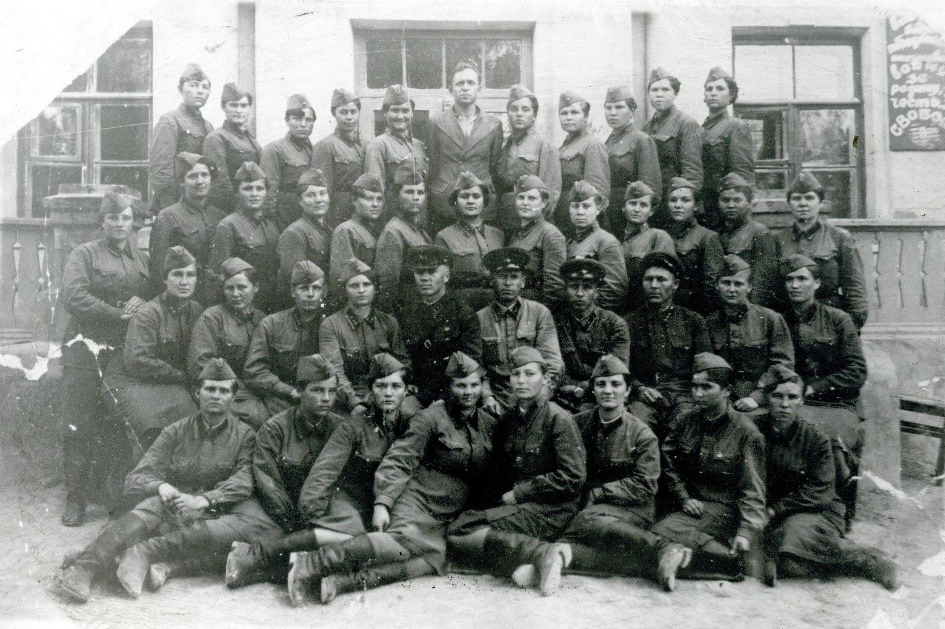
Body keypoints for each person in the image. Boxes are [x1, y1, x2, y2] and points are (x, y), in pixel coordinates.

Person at [286, 352, 497, 605]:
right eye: (461, 385)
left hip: (439, 510)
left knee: (432, 559)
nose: (468, 392)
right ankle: (311, 562)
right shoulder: (425, 419)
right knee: (395, 544)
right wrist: (382, 503)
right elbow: (397, 460)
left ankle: (341, 581)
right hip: (406, 502)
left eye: (474, 385)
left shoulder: (485, 425)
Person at [57, 359, 263, 602]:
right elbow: (136, 479)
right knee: (149, 508)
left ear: (233, 396)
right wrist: (161, 486)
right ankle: (84, 567)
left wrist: (205, 500)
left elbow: (244, 480)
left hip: (215, 512)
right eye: (209, 389)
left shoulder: (246, 436)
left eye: (223, 391)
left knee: (244, 534)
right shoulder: (176, 431)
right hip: (175, 509)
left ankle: (130, 558)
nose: (216, 396)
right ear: (197, 393)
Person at [446, 346, 585, 596]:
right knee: (465, 528)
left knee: (462, 530)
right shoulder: (509, 420)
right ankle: (525, 564)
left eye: (530, 374)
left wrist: (520, 493)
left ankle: (543, 553)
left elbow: (573, 477)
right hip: (522, 507)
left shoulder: (558, 419)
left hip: (553, 509)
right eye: (516, 374)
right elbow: (500, 472)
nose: (521, 381)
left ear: (545, 378)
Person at [547, 355, 691, 592]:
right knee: (564, 540)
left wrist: (600, 492)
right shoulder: (576, 424)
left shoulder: (642, 434)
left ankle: (661, 546)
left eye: (615, 384)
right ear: (593, 389)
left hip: (632, 508)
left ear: (628, 390)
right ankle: (654, 563)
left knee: (585, 521)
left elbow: (645, 485)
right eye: (601, 384)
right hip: (588, 505)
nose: (608, 391)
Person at [759, 365, 899, 590]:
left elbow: (820, 490)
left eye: (792, 397)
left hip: (814, 509)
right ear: (767, 398)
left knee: (791, 546)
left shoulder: (816, 439)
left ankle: (870, 560)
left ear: (801, 401)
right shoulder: (753, 431)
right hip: (768, 511)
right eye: (777, 396)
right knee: (776, 554)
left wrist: (775, 509)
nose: (785, 404)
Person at [59, 190, 151, 526]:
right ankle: (75, 499)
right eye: (113, 218)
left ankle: (113, 496)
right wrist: (116, 313)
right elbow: (73, 296)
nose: (119, 224)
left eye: (125, 218)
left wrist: (142, 302)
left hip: (121, 352)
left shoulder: (141, 259)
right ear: (102, 221)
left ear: (133, 222)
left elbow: (150, 292)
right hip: (85, 348)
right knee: (79, 423)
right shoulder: (84, 254)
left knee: (116, 424)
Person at [291, 353, 413, 604]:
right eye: (380, 386)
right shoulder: (352, 427)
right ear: (370, 391)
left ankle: (334, 576)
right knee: (352, 534)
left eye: (395, 386)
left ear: (406, 391)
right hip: (349, 499)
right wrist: (311, 516)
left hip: (390, 503)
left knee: (399, 544)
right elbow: (324, 472)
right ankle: (308, 563)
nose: (388, 393)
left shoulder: (413, 426)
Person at [223, 355, 348, 588]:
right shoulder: (275, 429)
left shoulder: (340, 427)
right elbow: (268, 481)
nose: (326, 398)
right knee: (269, 534)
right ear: (299, 392)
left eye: (331, 391)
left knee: (342, 540)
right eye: (317, 390)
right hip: (282, 511)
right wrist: (293, 521)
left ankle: (260, 568)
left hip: (319, 509)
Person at [651, 353, 766, 580]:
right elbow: (667, 463)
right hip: (688, 504)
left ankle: (728, 561)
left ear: (727, 391)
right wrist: (683, 497)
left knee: (659, 533)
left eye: (706, 387)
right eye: (694, 387)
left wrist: (745, 532)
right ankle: (689, 554)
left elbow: (753, 488)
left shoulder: (746, 432)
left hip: (722, 508)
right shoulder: (685, 420)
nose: (697, 394)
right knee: (649, 530)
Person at [780, 254, 867, 527]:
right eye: (789, 280)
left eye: (802, 279)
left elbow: (856, 370)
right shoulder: (778, 320)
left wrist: (814, 388)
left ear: (816, 283)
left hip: (837, 404)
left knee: (833, 445)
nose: (795, 285)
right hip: (796, 402)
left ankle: (837, 512)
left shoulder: (839, 319)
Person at [102, 246, 201, 449]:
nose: (184, 282)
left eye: (190, 275)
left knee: (192, 422)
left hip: (167, 382)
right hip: (130, 381)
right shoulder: (149, 313)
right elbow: (137, 361)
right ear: (165, 279)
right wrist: (182, 376)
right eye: (177, 275)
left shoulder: (196, 310)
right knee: (151, 428)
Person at [625, 252, 711, 436]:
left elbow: (705, 366)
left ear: (675, 284)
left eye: (661, 279)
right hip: (644, 396)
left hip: (683, 396)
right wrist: (639, 388)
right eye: (649, 279)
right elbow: (621, 365)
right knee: (636, 428)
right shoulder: (628, 322)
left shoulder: (693, 321)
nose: (654, 285)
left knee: (686, 426)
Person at [775, 172, 869, 330]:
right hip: (790, 319)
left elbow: (854, 285)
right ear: (789, 204)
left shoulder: (839, 237)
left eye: (809, 198)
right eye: (796, 198)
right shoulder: (778, 240)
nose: (803, 203)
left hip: (830, 318)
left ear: (820, 203)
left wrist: (852, 324)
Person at [477, 247, 564, 414]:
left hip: (535, 395)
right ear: (492, 280)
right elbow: (477, 367)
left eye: (514, 277)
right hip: (496, 398)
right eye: (502, 276)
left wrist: (541, 397)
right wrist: (487, 396)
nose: (508, 283)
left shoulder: (539, 313)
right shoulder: (479, 319)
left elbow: (552, 363)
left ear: (523, 282)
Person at [705, 254, 794, 415]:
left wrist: (757, 397)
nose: (732, 290)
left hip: (761, 399)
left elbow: (783, 365)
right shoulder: (709, 323)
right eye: (726, 283)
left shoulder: (770, 319)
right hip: (722, 399)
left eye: (738, 284)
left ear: (750, 287)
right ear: (717, 285)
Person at [187, 257, 269, 429]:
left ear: (255, 287)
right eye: (229, 288)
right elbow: (200, 365)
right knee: (257, 417)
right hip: (222, 388)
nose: (235, 294)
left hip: (256, 388)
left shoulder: (262, 319)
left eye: (242, 287)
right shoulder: (211, 318)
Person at [319, 259, 410, 410]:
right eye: (354, 286)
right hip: (350, 395)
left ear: (375, 289)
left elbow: (403, 362)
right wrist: (354, 402)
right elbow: (334, 371)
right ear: (345, 290)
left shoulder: (389, 322)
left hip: (385, 392)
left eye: (366, 284)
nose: (361, 290)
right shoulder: (331, 325)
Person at [399, 245, 483, 406]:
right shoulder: (406, 314)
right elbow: (402, 355)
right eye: (419, 272)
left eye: (432, 272)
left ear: (446, 276)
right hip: (417, 391)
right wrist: (408, 381)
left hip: (453, 393)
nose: (424, 278)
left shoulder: (463, 313)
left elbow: (470, 360)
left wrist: (446, 398)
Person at [426, 62, 504, 233]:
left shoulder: (493, 124)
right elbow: (434, 162)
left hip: (481, 201)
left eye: (470, 83)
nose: (465, 88)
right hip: (446, 201)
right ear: (451, 89)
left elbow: (493, 165)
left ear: (479, 88)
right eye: (460, 83)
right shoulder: (436, 122)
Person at [244, 261, 325, 416]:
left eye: (316, 288)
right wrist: (289, 391)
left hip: (323, 399)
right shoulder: (271, 324)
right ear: (293, 291)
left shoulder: (330, 325)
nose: (310, 294)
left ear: (324, 291)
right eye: (303, 288)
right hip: (281, 399)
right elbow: (254, 371)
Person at [148, 152, 226, 304]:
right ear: (182, 182)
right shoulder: (167, 217)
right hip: (184, 299)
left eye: (205, 175)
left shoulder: (220, 216)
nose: (200, 181)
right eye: (192, 176)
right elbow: (158, 269)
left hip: (216, 298)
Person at [553, 259, 631, 411]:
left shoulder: (614, 323)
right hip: (562, 396)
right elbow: (550, 365)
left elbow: (617, 371)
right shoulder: (554, 322)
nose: (579, 293)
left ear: (596, 292)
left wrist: (581, 388)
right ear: (565, 290)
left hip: (602, 398)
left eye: (587, 287)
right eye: (573, 287)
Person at [208, 161, 281, 313]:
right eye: (247, 188)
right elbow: (218, 277)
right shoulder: (228, 226)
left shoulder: (271, 225)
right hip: (242, 307)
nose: (254, 194)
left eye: (259, 188)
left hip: (271, 304)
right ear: (236, 192)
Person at [434, 170, 504, 312]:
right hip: (462, 308)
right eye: (464, 196)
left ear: (484, 201)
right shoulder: (444, 236)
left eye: (476, 196)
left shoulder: (498, 235)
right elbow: (441, 282)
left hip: (497, 306)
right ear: (455, 201)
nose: (470, 201)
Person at [148, 64, 214, 214]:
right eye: (193, 85)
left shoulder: (208, 127)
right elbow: (160, 171)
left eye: (205, 87)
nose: (200, 91)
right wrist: (173, 209)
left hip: (200, 204)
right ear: (180, 89)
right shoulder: (170, 120)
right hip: (175, 205)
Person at [494, 84, 561, 230]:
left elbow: (550, 191)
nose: (519, 114)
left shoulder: (544, 145)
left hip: (530, 220)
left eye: (525, 109)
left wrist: (537, 224)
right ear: (508, 113)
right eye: (514, 109)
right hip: (504, 217)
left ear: (534, 115)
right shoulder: (504, 145)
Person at [642, 68, 703, 227]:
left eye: (665, 89)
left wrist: (684, 205)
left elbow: (692, 171)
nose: (659, 94)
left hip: (675, 204)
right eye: (654, 90)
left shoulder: (686, 124)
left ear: (675, 94)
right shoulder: (646, 128)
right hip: (653, 204)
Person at [364, 85, 428, 226]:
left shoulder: (419, 146)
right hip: (393, 220)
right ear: (385, 113)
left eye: (405, 111)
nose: (400, 116)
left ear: (412, 113)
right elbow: (376, 191)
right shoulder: (378, 145)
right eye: (394, 111)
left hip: (420, 221)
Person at [603, 85, 661, 240]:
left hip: (631, 215)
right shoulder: (607, 142)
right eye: (608, 108)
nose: (613, 113)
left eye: (619, 107)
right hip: (610, 214)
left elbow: (650, 188)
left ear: (632, 111)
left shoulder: (641, 140)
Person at [701, 67, 754, 231]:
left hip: (725, 210)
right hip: (704, 207)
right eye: (709, 89)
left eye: (720, 89)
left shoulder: (736, 126)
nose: (713, 93)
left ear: (731, 96)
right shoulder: (701, 129)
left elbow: (743, 175)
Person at [716, 173, 780, 309]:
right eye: (725, 200)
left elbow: (763, 283)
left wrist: (752, 313)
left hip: (749, 307)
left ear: (748, 202)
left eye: (737, 200)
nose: (730, 205)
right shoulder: (716, 233)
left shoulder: (760, 233)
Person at [374, 166, 432, 310]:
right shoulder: (393, 232)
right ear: (396, 196)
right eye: (409, 192)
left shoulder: (418, 229)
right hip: (407, 308)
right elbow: (388, 285)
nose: (416, 197)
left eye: (420, 192)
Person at [566, 180, 629, 313]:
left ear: (598, 209)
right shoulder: (570, 243)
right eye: (575, 206)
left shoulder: (606, 242)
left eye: (586, 206)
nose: (580, 212)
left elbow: (615, 290)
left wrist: (589, 315)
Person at [665, 176, 725, 316]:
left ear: (696, 205)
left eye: (685, 200)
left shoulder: (707, 237)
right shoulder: (662, 235)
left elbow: (712, 284)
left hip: (695, 309)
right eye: (673, 200)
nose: (678, 205)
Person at [554, 91, 610, 237]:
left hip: (581, 222)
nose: (568, 117)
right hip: (563, 217)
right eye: (564, 113)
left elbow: (598, 193)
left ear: (585, 117)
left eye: (574, 112)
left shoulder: (593, 145)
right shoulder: (563, 148)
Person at [507, 174, 568, 308]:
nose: (525, 203)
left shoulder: (550, 235)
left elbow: (554, 290)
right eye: (521, 197)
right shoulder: (516, 236)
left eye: (532, 198)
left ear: (543, 203)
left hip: (536, 309)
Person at [260, 94, 316, 231]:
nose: (303, 124)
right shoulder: (274, 149)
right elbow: (269, 192)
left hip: (309, 215)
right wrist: (271, 224)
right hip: (285, 218)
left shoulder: (315, 150)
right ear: (287, 120)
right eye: (297, 119)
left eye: (308, 119)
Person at [203, 83, 262, 213]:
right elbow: (220, 184)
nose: (239, 110)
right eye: (233, 105)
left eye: (244, 106)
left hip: (251, 208)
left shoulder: (252, 141)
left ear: (249, 108)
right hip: (230, 210)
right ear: (223, 106)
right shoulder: (216, 138)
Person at [313, 88, 366, 229]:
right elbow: (324, 188)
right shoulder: (325, 146)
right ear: (334, 114)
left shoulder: (366, 144)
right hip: (339, 212)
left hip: (363, 210)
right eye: (343, 112)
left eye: (353, 112)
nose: (349, 117)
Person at [276, 168, 332, 300]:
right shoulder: (295, 233)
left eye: (323, 193)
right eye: (310, 195)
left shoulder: (329, 230)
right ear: (300, 201)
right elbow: (294, 279)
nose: (318, 200)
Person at [621, 181, 676, 311]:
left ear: (651, 211)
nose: (637, 209)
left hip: (648, 308)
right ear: (623, 208)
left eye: (643, 205)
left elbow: (666, 280)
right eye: (632, 203)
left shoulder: (658, 237)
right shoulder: (617, 240)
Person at [328, 173, 384, 300]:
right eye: (369, 199)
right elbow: (341, 275)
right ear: (354, 200)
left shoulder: (377, 230)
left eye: (379, 199)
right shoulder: (346, 230)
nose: (375, 204)